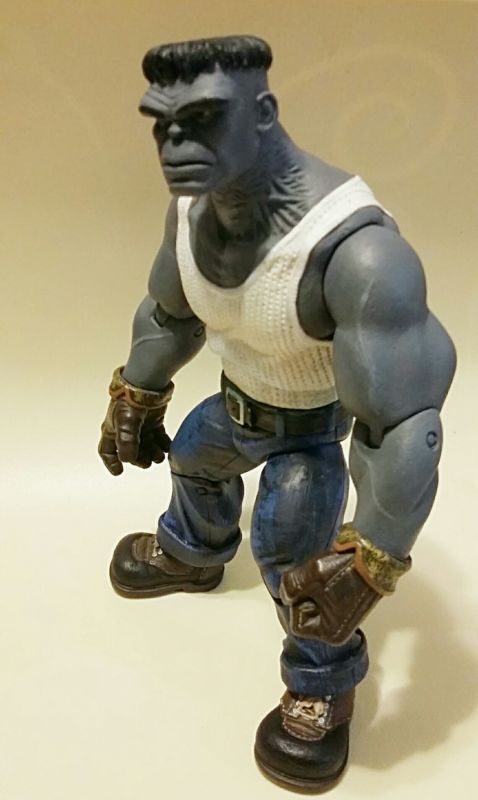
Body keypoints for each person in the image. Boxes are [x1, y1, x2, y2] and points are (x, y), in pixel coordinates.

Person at [98, 35, 456, 792]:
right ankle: (194, 552)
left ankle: (322, 684)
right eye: (164, 123)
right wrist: (137, 394)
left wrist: (369, 560)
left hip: (310, 435)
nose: (175, 144)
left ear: (262, 113)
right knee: (193, 457)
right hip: (237, 406)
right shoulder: (188, 214)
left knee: (296, 558)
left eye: (202, 119)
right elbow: (169, 315)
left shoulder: (356, 252)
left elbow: (404, 425)